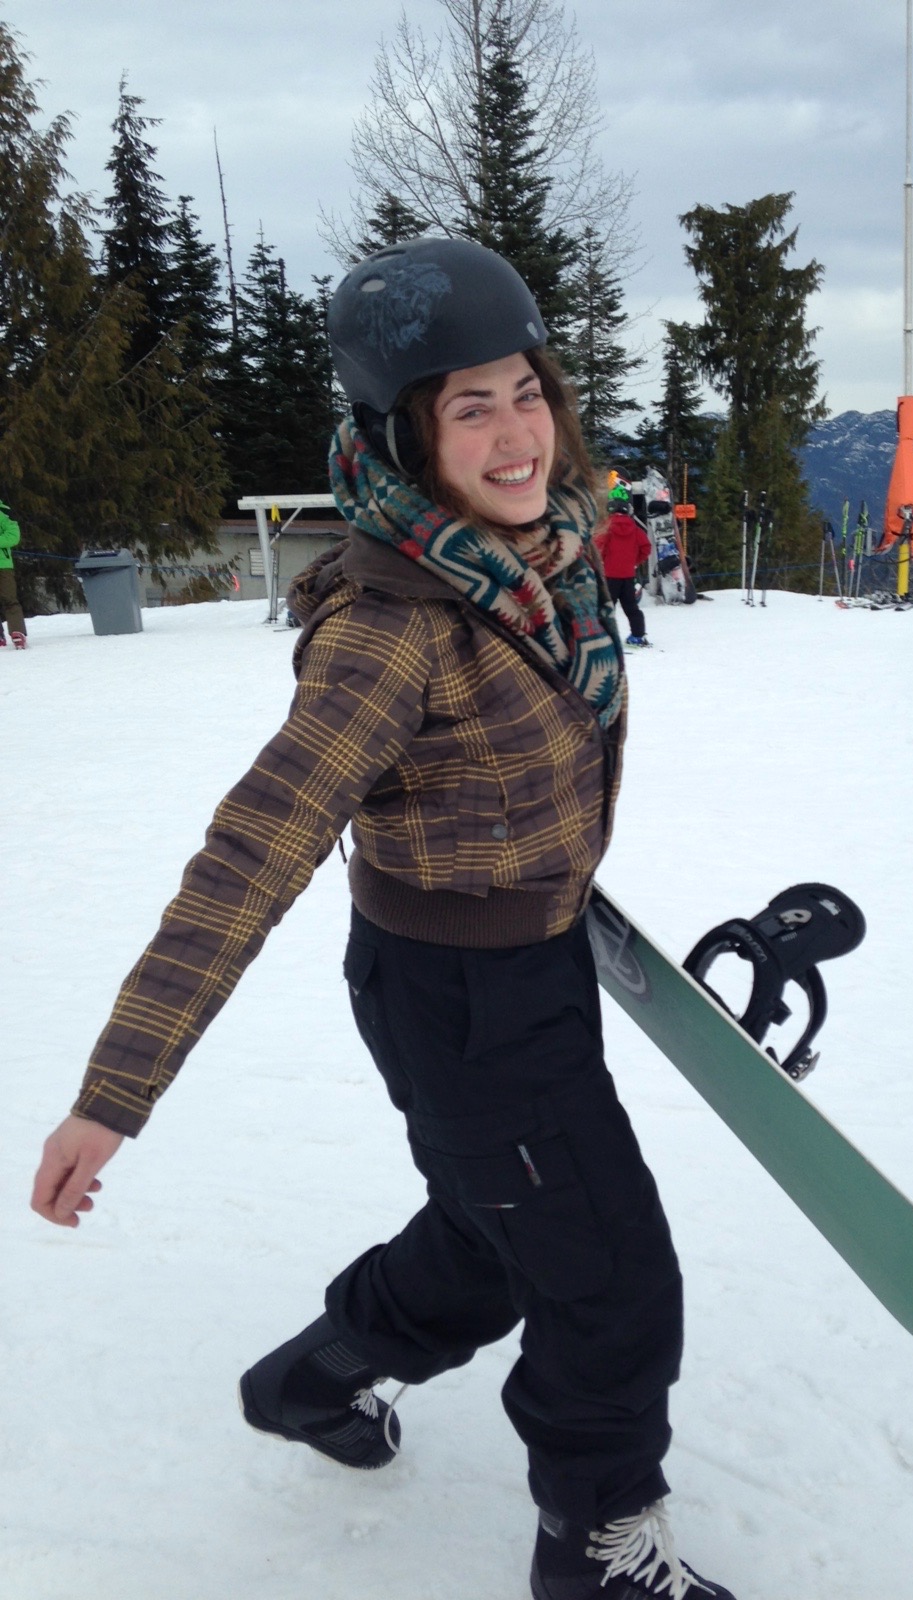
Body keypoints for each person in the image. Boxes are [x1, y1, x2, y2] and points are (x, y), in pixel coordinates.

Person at [30, 239, 735, 1600]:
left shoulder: (539, 562)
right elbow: (254, 851)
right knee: (607, 1279)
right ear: (408, 433)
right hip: (464, 1005)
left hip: (520, 968)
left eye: (526, 394)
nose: (516, 434)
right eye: (471, 408)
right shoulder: (393, 624)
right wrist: (115, 1093)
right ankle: (595, 1548)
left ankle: (313, 1380)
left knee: (496, 1230)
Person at [596, 487, 652, 647]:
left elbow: (598, 547)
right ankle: (638, 636)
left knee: (607, 608)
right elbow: (646, 547)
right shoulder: (635, 529)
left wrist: (603, 561)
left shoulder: (606, 527)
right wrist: (635, 561)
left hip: (610, 576)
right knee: (631, 608)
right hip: (628, 575)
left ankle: (605, 638)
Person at [0, 496, 27, 648]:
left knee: (9, 598)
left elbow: (13, 536)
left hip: (3, 565)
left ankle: (18, 632)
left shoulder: (4, 512)